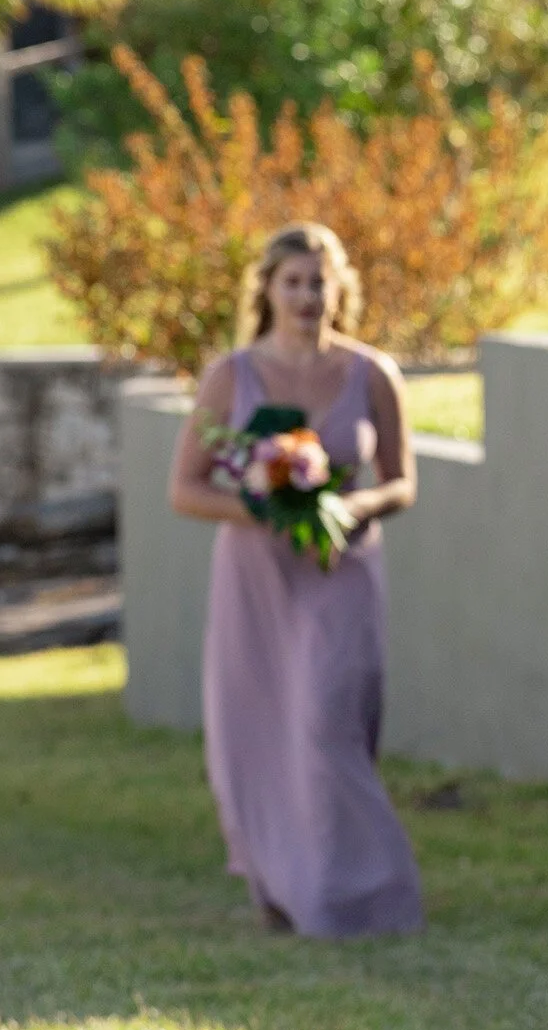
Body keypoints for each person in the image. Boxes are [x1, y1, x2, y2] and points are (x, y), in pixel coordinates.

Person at [167, 221, 425, 938]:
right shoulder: (232, 375)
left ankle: (366, 898)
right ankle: (282, 885)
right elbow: (184, 489)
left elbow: (403, 482)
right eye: (294, 282)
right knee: (258, 730)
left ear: (339, 288)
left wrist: (351, 505)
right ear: (269, 290)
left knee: (329, 721)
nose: (309, 295)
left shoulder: (372, 373)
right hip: (256, 575)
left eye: (320, 281)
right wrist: (265, 507)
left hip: (343, 571)